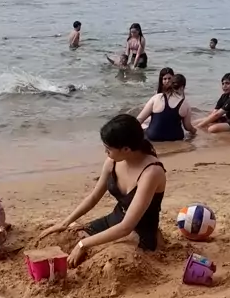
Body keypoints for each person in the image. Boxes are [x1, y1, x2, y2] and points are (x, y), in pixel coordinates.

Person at [38, 114, 166, 267]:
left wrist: (83, 244)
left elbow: (126, 227)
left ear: (126, 149)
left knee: (109, 264)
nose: (106, 152)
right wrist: (65, 223)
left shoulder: (151, 172)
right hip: (113, 221)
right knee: (66, 237)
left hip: (139, 233)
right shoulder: (113, 161)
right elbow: (93, 197)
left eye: (108, 149)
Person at [137, 73, 197, 142]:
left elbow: (140, 119)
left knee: (144, 126)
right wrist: (194, 131)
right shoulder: (185, 103)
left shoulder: (157, 97)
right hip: (176, 137)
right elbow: (187, 127)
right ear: (182, 87)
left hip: (154, 136)